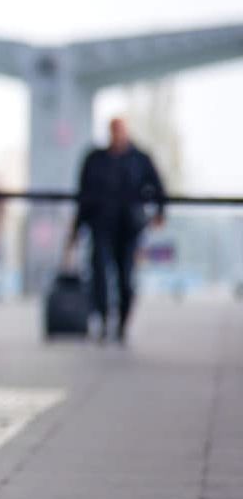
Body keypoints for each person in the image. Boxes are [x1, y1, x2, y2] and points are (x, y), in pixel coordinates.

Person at [68, 117, 165, 342]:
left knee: (126, 277)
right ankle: (101, 318)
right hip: (101, 226)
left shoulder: (140, 159)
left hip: (129, 229)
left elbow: (157, 186)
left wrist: (160, 213)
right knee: (99, 273)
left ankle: (122, 322)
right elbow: (83, 196)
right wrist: (75, 230)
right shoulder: (95, 159)